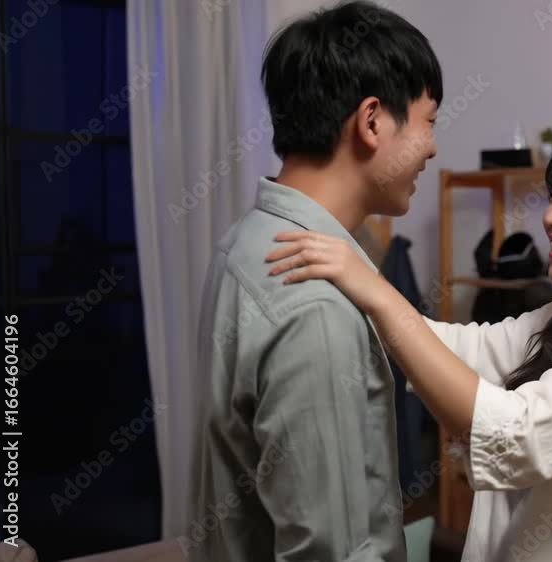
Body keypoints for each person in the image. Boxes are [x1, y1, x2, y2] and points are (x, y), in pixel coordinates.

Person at [265, 122, 552, 562]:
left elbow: (522, 433)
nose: (550, 217)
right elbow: (460, 348)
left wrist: (376, 292)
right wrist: (357, 284)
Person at [185, 2, 441, 560]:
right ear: (372, 122)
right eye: (429, 121)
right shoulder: (315, 300)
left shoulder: (245, 242)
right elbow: (330, 549)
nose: (432, 146)